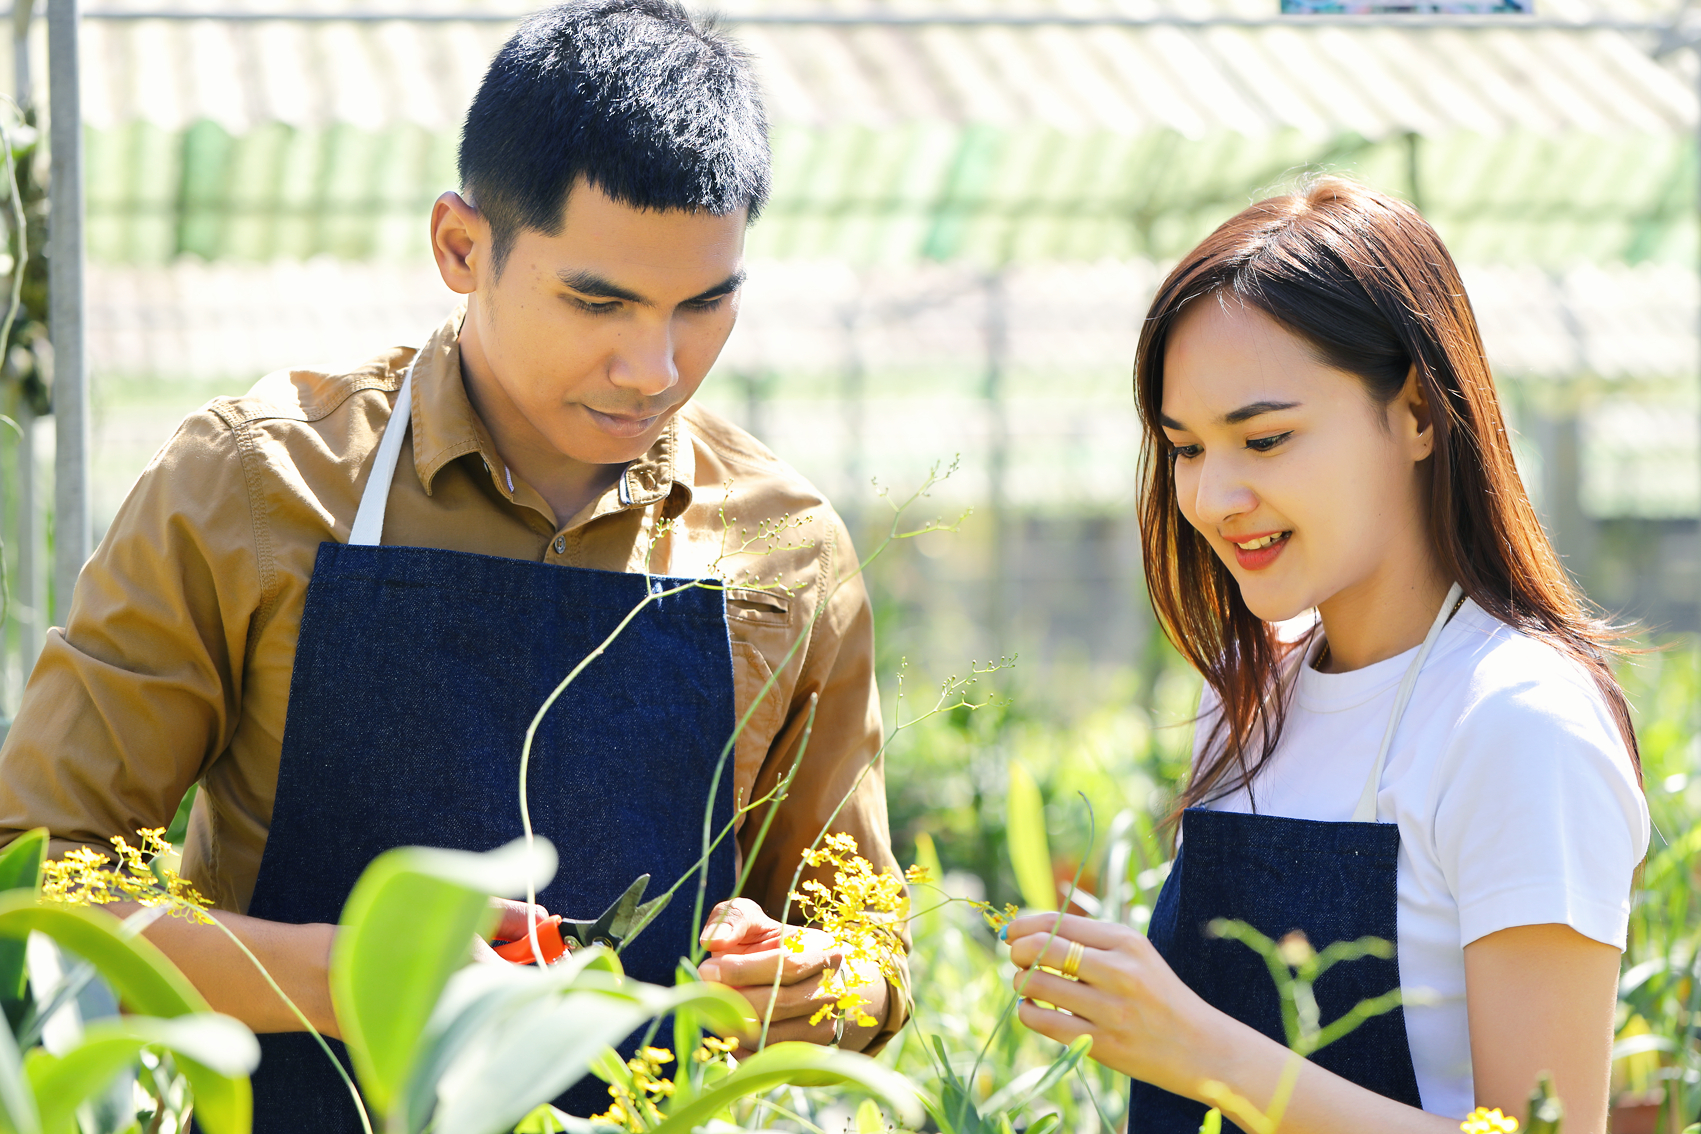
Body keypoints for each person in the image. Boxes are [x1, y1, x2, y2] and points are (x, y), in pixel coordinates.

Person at [0, 1, 906, 1127]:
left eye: (705, 305)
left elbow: (864, 931)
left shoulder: (785, 548)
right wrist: (356, 976)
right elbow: (39, 879)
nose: (654, 367)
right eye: (598, 301)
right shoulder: (257, 484)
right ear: (462, 247)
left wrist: (819, 982)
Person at [1004, 179, 1647, 1134]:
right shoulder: (1251, 697)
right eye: (1184, 448)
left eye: (1264, 439)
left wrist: (1200, 1053)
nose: (1214, 497)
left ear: (1420, 414)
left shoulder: (1516, 724)